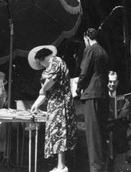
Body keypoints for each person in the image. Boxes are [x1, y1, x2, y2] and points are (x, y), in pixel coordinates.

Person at [29, 44, 77, 172]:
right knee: (56, 133)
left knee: (60, 133)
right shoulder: (49, 68)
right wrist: (35, 105)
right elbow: (44, 93)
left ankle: (61, 166)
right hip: (55, 103)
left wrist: (43, 88)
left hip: (61, 103)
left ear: (43, 59)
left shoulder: (56, 62)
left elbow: (50, 83)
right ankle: (60, 165)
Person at [76, 28, 109, 172]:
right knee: (100, 134)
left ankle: (95, 169)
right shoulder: (103, 51)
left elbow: (84, 72)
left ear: (87, 38)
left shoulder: (90, 50)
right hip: (102, 94)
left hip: (91, 95)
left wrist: (78, 88)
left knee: (92, 134)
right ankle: (101, 166)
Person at [107, 71, 131, 165]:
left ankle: (111, 159)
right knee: (115, 127)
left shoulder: (123, 94)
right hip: (106, 124)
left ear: (118, 82)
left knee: (114, 130)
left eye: (114, 81)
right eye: (110, 81)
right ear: (106, 82)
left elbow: (130, 118)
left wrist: (127, 112)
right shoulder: (102, 94)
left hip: (119, 124)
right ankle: (128, 152)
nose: (112, 84)